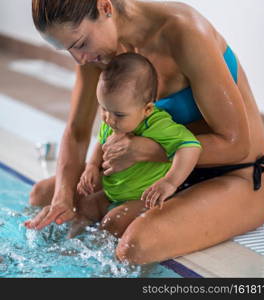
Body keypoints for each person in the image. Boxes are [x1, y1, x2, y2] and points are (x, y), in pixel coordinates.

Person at [25, 0, 264, 265]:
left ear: (105, 7)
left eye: (79, 44)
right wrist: (62, 198)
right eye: (68, 50)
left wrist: (147, 151)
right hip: (154, 174)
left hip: (235, 176)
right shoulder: (97, 51)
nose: (79, 59)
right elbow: (77, 131)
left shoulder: (184, 32)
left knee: (134, 246)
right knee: (43, 197)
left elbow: (237, 145)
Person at [63, 52, 201, 237]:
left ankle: (97, 252)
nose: (109, 119)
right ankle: (71, 245)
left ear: (147, 109)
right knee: (84, 206)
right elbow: (101, 143)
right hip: (114, 194)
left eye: (118, 114)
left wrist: (170, 182)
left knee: (113, 222)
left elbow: (190, 146)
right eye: (104, 109)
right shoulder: (113, 120)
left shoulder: (158, 125)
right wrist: (91, 167)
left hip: (143, 198)